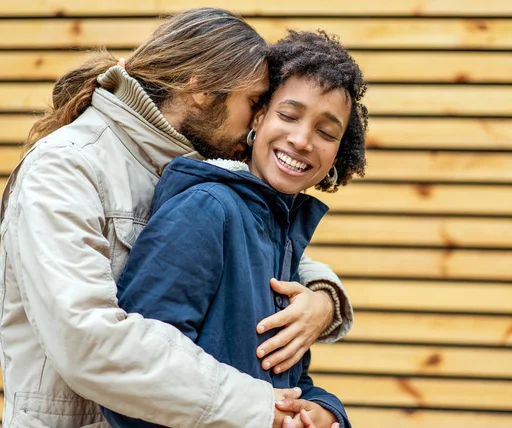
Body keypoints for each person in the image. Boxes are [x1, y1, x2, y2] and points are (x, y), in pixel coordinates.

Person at [0, 9, 354, 428]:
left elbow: (256, 255)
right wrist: (262, 410)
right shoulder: (67, 166)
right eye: (255, 103)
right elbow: (88, 343)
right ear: (203, 90)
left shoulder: (188, 165)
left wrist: (322, 299)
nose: (256, 122)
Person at [100, 29, 368, 428]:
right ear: (257, 118)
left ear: (337, 153)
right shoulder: (206, 209)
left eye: (326, 132)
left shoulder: (280, 231)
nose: (302, 139)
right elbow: (139, 380)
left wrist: (324, 412)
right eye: (288, 115)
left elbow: (284, 376)